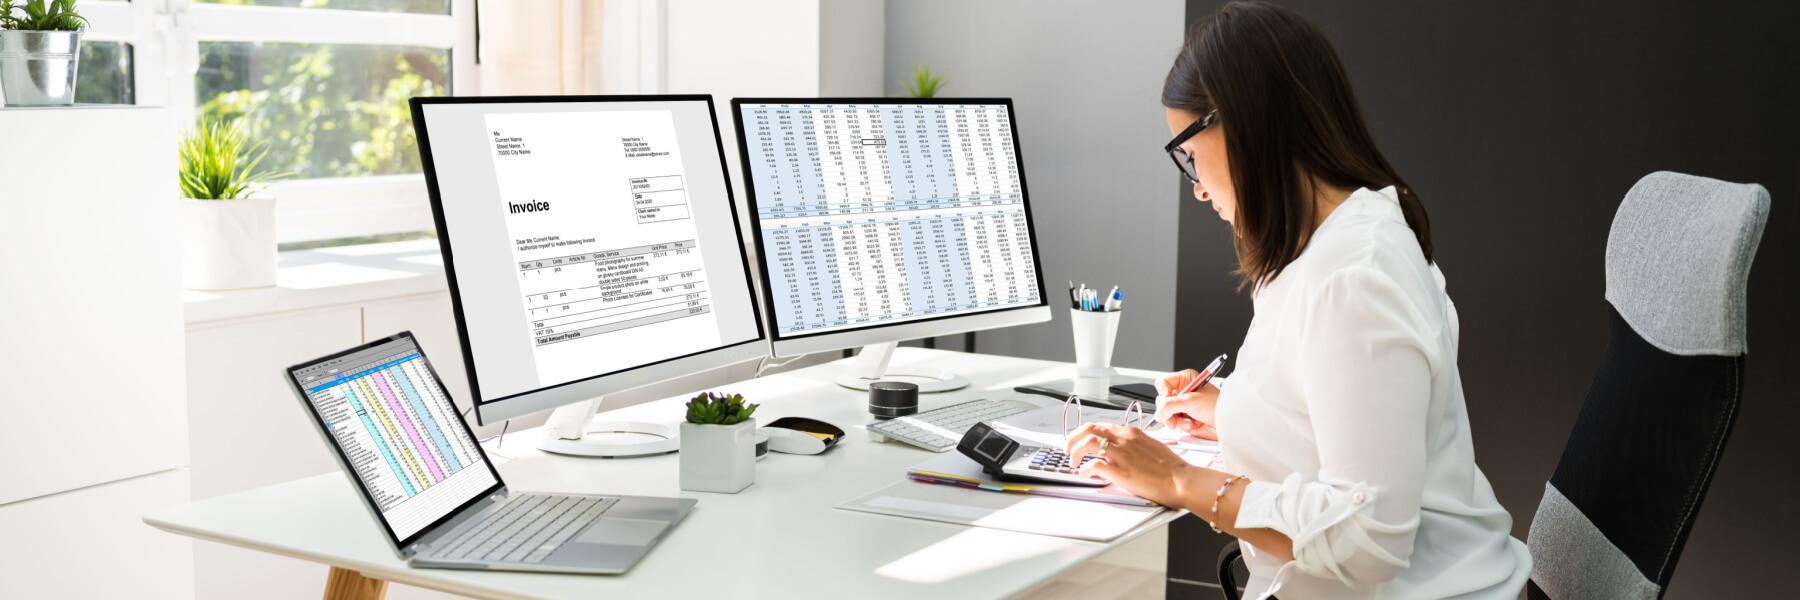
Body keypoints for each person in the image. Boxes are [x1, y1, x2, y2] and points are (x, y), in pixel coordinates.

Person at [1063, 2, 1531, 598]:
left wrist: (1178, 479)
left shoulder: (1356, 276)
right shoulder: (1333, 241)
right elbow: (1346, 411)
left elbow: (1368, 541)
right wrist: (1230, 410)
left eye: (1187, 152)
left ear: (1241, 124)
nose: (1198, 185)